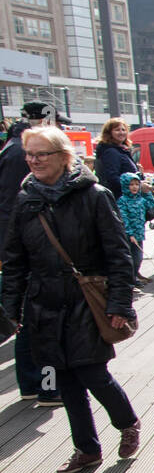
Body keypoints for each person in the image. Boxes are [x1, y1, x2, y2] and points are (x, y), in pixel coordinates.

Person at [1, 126, 140, 473]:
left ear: (64, 157)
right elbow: (15, 261)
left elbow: (118, 254)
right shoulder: (26, 199)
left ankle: (127, 423)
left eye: (40, 154)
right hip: (43, 305)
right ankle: (87, 450)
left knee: (93, 372)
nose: (32, 160)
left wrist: (120, 304)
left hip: (85, 301)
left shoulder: (94, 195)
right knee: (65, 380)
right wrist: (10, 309)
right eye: (29, 154)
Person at [0, 102, 65, 405]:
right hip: (33, 255)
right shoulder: (20, 160)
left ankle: (32, 384)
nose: (35, 161)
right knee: (38, 325)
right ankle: (46, 386)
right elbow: (15, 208)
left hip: (28, 251)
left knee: (30, 321)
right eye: (34, 156)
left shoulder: (12, 151)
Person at [117, 172, 153, 287]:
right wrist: (129, 234)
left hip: (139, 234)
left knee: (138, 258)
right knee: (131, 258)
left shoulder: (140, 199)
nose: (134, 187)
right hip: (130, 236)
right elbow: (124, 219)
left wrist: (147, 193)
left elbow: (151, 205)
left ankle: (133, 277)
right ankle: (130, 279)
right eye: (131, 184)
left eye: (137, 184)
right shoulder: (122, 201)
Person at [93, 118, 138, 199]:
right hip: (120, 199)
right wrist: (134, 185)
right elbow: (112, 178)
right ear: (109, 133)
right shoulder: (111, 152)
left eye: (123, 130)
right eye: (117, 130)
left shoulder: (120, 150)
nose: (121, 132)